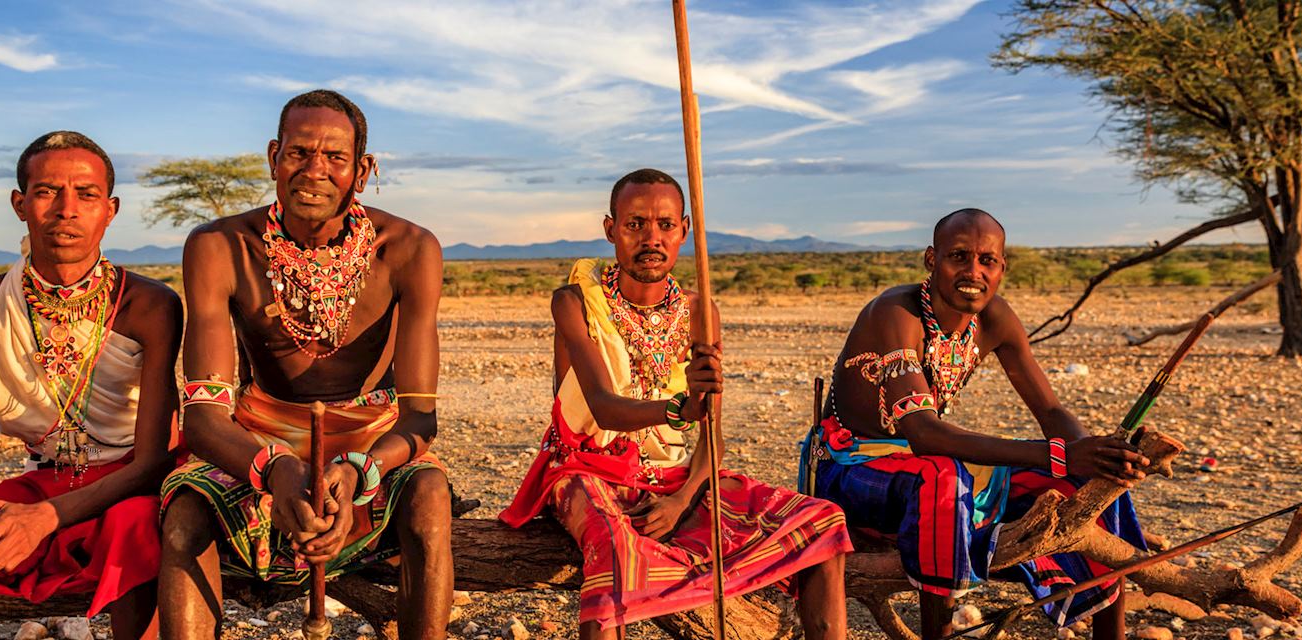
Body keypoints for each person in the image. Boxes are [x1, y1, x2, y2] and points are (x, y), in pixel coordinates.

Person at [502, 169, 853, 639]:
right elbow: (605, 409)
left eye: (665, 225)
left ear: (685, 231)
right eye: (635, 225)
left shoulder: (699, 312)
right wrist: (679, 410)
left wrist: (684, 500)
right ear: (611, 230)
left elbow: (713, 437)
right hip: (584, 469)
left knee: (821, 522)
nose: (652, 238)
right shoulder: (575, 302)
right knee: (617, 553)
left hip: (672, 476)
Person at [157, 89, 452, 639]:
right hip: (257, 437)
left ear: (362, 171)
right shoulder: (221, 247)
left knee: (430, 498)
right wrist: (276, 468)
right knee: (185, 517)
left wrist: (359, 472)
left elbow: (419, 419)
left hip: (372, 440)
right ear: (274, 157)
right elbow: (202, 418)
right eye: (298, 154)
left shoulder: (410, 249)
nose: (314, 171)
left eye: (335, 158)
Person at [801, 208, 1152, 639]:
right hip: (848, 465)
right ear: (932, 260)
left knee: (1096, 483)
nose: (973, 271)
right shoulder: (895, 312)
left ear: (1003, 267)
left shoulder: (995, 319)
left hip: (913, 460)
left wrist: (1099, 454)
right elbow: (924, 434)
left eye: (987, 260)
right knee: (943, 477)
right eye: (959, 256)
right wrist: (1063, 456)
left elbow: (1051, 413)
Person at [0, 131, 182, 640]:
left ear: (110, 210)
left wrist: (41, 520)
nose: (66, 210)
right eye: (47, 192)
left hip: (129, 486)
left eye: (86, 195)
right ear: (19, 204)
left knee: (137, 526)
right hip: (45, 478)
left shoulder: (150, 304)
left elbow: (154, 460)